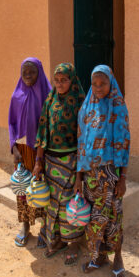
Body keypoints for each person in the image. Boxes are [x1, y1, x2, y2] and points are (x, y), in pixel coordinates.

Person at [75, 65, 130, 277]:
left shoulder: (118, 108)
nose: (98, 88)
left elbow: (125, 144)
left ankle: (118, 258)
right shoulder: (86, 107)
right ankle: (97, 257)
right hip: (90, 176)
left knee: (114, 219)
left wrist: (123, 178)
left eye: (103, 83)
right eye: (95, 83)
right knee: (93, 221)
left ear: (111, 83)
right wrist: (79, 178)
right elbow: (81, 143)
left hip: (111, 175)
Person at [33, 63, 86, 265]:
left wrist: (80, 172)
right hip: (50, 161)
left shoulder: (80, 103)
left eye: (64, 80)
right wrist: (38, 161)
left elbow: (84, 139)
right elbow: (42, 132)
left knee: (68, 203)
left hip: (71, 161)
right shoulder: (50, 100)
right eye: (57, 80)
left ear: (72, 80)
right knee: (52, 202)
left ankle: (72, 243)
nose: (60, 84)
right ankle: (57, 240)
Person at [8, 57, 51, 248]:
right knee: (24, 189)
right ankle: (25, 226)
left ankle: (45, 228)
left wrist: (42, 156)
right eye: (24, 71)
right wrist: (14, 148)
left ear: (39, 73)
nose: (27, 75)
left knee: (42, 189)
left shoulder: (48, 96)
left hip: (42, 151)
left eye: (32, 71)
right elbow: (11, 123)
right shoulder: (16, 96)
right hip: (23, 151)